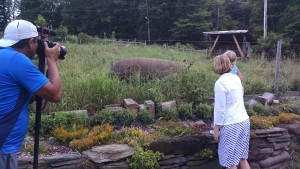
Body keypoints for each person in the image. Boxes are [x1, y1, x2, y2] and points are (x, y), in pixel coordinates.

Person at [0, 20, 62, 169]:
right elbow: (55, 95)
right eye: (36, 42)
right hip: (4, 144)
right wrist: (51, 61)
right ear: (30, 42)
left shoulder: (4, 55)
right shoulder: (18, 61)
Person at [213, 54, 250, 169]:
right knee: (243, 158)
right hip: (244, 121)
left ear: (217, 66)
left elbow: (220, 109)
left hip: (231, 125)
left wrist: (216, 129)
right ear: (229, 64)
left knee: (231, 164)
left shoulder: (220, 83)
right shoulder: (236, 78)